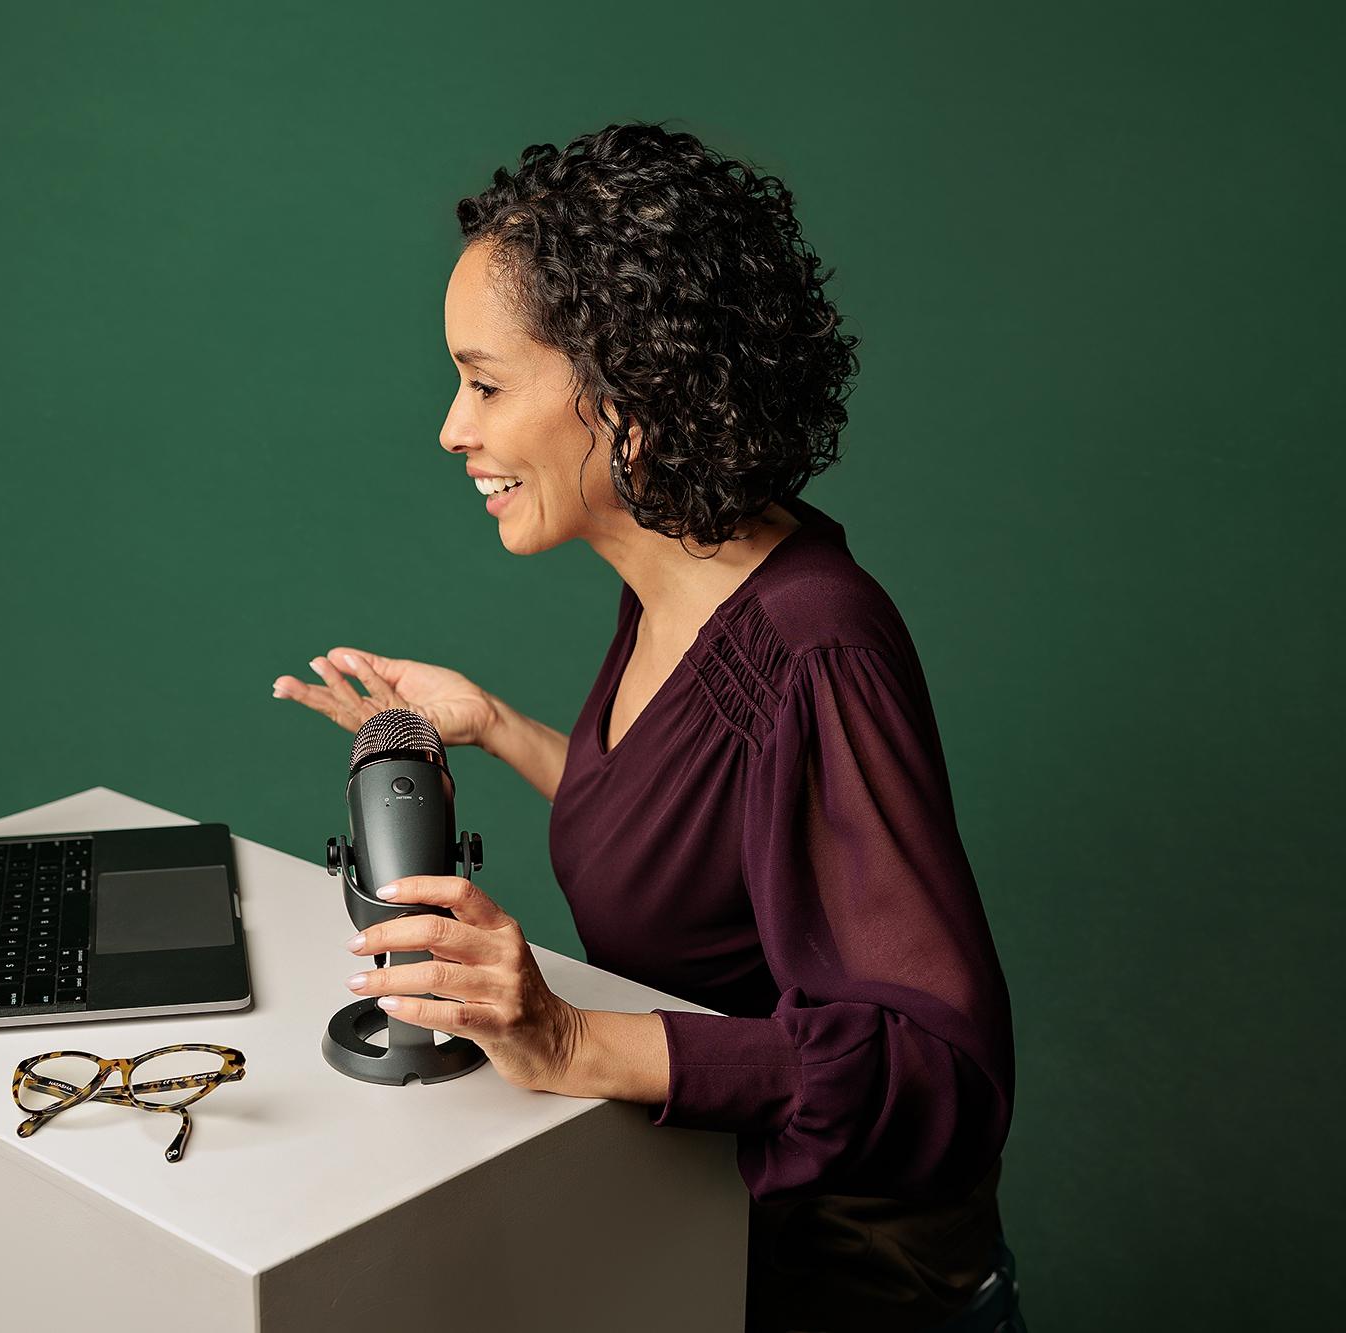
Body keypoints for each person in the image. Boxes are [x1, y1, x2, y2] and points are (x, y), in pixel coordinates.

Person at [271, 122, 1025, 1333]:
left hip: (847, 1299)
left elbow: (929, 1065)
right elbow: (716, 842)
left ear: (630, 388)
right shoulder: (679, 583)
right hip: (702, 1244)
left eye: (486, 382)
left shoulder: (812, 643)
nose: (451, 429)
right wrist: (500, 726)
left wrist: (566, 1037)